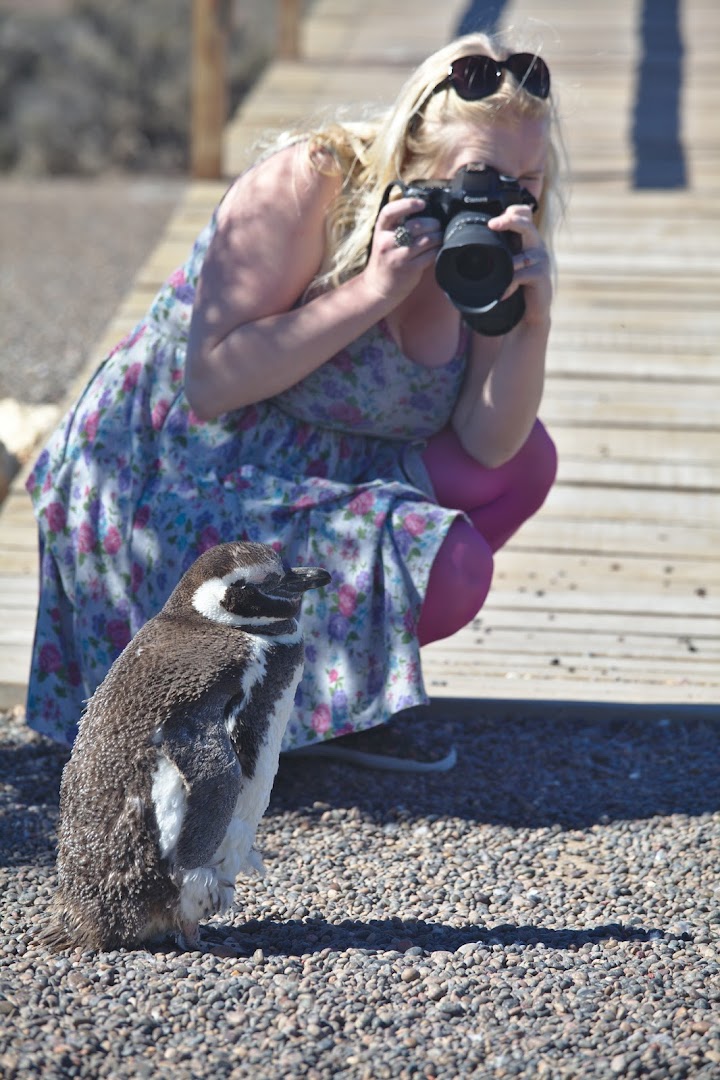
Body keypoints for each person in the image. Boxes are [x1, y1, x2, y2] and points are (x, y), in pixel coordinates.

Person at [25, 31, 565, 760]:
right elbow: (211, 384)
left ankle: (320, 694)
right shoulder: (313, 181)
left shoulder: (491, 245)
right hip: (178, 464)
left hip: (316, 458)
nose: (507, 198)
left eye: (528, 179)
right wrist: (374, 290)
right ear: (413, 155)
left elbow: (490, 446)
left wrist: (532, 319)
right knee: (453, 566)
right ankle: (277, 697)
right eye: (481, 174)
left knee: (527, 461)